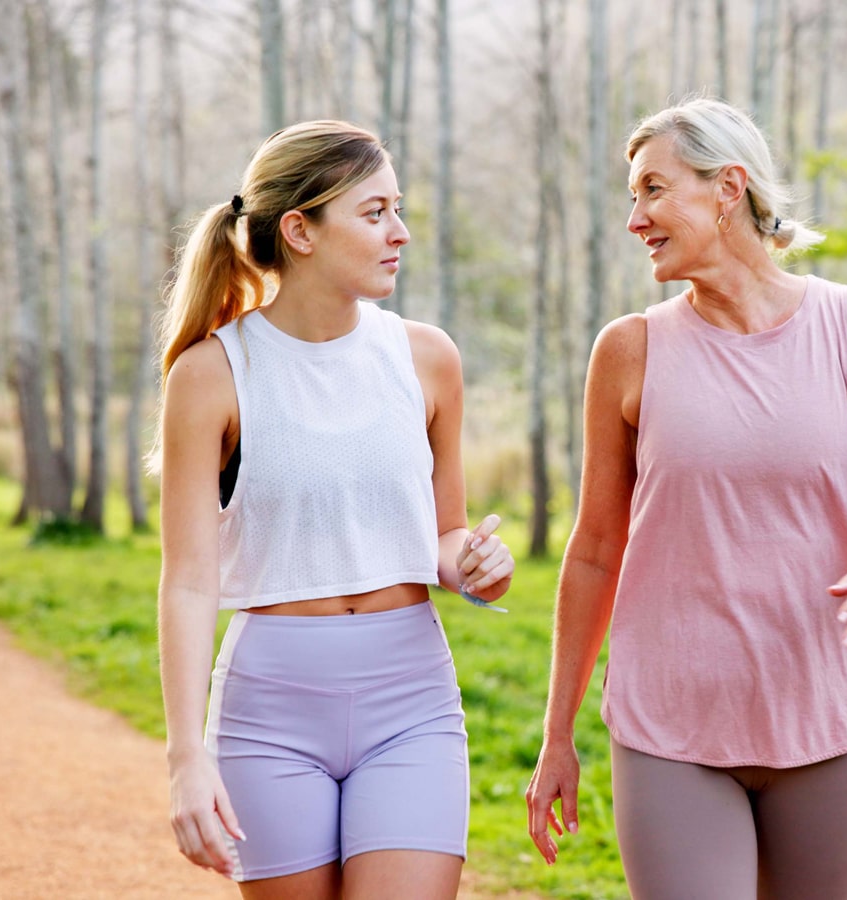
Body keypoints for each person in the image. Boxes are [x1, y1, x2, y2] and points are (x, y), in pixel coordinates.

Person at [524, 98, 847, 899]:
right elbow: (593, 551)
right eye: (633, 196)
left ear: (728, 188)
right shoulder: (628, 351)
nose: (636, 218)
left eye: (653, 190)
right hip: (672, 726)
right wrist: (558, 734)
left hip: (832, 708)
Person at [155, 120, 514, 899]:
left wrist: (476, 564)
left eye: (399, 209)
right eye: (376, 212)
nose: (401, 232)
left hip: (411, 702)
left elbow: (444, 535)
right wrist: (188, 757)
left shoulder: (428, 358)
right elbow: (187, 581)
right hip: (269, 711)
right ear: (300, 230)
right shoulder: (211, 375)